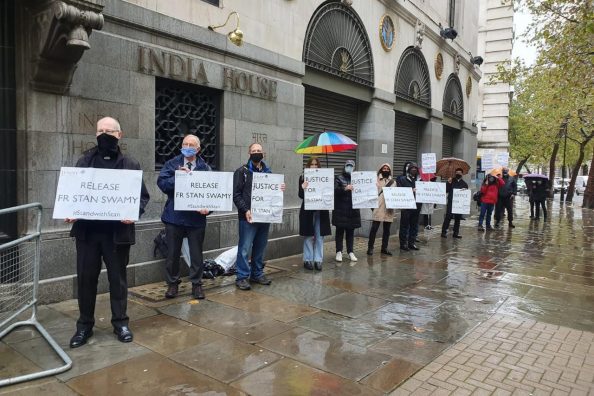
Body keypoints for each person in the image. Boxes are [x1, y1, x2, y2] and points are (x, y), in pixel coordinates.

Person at [66, 117, 150, 348]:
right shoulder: (84, 162)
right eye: (100, 130)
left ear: (119, 135)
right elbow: (73, 193)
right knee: (86, 280)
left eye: (109, 131)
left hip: (117, 235)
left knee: (118, 280)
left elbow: (143, 197)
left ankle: (121, 323)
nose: (104, 134)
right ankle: (84, 327)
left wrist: (133, 212)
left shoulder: (130, 164)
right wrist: (71, 210)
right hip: (88, 234)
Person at [157, 134, 211, 300]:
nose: (187, 146)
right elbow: (162, 184)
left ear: (198, 149)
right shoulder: (172, 164)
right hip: (175, 217)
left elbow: (213, 194)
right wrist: (177, 178)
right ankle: (172, 284)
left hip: (196, 219)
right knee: (172, 253)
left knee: (196, 254)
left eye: (191, 144)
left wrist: (208, 210)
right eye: (185, 143)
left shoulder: (205, 168)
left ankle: (197, 284)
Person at [233, 143, 285, 290]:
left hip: (265, 217)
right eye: (254, 151)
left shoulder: (269, 173)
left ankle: (256, 273)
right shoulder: (241, 171)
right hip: (248, 217)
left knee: (260, 247)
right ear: (249, 153)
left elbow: (274, 194)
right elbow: (236, 195)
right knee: (244, 248)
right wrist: (245, 210)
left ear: (264, 154)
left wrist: (280, 188)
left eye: (259, 151)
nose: (256, 153)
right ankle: (242, 277)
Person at [299, 157, 331, 270]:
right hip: (308, 211)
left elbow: (330, 192)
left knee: (319, 236)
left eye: (316, 164)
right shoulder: (303, 177)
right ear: (308, 165)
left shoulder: (325, 177)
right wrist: (303, 187)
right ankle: (308, 260)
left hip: (321, 211)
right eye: (312, 164)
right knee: (308, 236)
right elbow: (301, 195)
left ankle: (318, 260)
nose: (314, 166)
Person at [332, 160, 361, 262]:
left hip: (352, 210)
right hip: (341, 209)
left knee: (350, 232)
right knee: (339, 232)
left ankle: (350, 252)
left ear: (354, 168)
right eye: (348, 165)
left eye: (351, 166)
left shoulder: (358, 179)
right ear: (344, 166)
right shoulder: (338, 178)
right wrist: (344, 188)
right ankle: (339, 252)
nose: (349, 167)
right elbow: (334, 191)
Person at [367, 163, 395, 256]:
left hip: (389, 208)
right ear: (381, 169)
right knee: (374, 229)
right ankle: (370, 248)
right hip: (378, 207)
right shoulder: (376, 180)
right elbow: (370, 192)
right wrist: (372, 206)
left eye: (387, 168)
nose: (386, 169)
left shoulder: (393, 182)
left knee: (387, 230)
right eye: (384, 168)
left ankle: (384, 248)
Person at [396, 161, 421, 251]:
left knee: (414, 225)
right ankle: (403, 244)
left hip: (417, 206)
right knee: (404, 226)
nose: (414, 169)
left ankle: (412, 243)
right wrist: (411, 190)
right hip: (406, 206)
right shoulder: (402, 179)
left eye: (415, 168)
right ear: (409, 170)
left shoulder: (420, 180)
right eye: (412, 168)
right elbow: (400, 191)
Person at [441, 168, 469, 239]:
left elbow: (465, 195)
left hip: (459, 204)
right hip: (451, 202)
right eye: (457, 173)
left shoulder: (464, 184)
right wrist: (448, 183)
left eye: (459, 173)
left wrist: (465, 191)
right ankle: (444, 232)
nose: (458, 174)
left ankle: (455, 233)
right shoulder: (451, 181)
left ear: (462, 174)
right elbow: (446, 190)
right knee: (448, 217)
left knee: (458, 218)